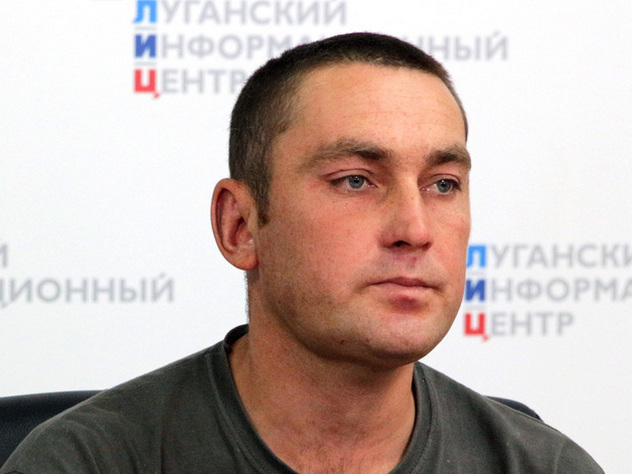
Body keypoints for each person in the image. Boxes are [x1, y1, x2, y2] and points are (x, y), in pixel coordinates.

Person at [1, 32, 603, 473]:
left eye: (443, 184)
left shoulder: (545, 466)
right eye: (355, 180)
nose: (415, 229)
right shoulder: (84, 462)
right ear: (240, 226)